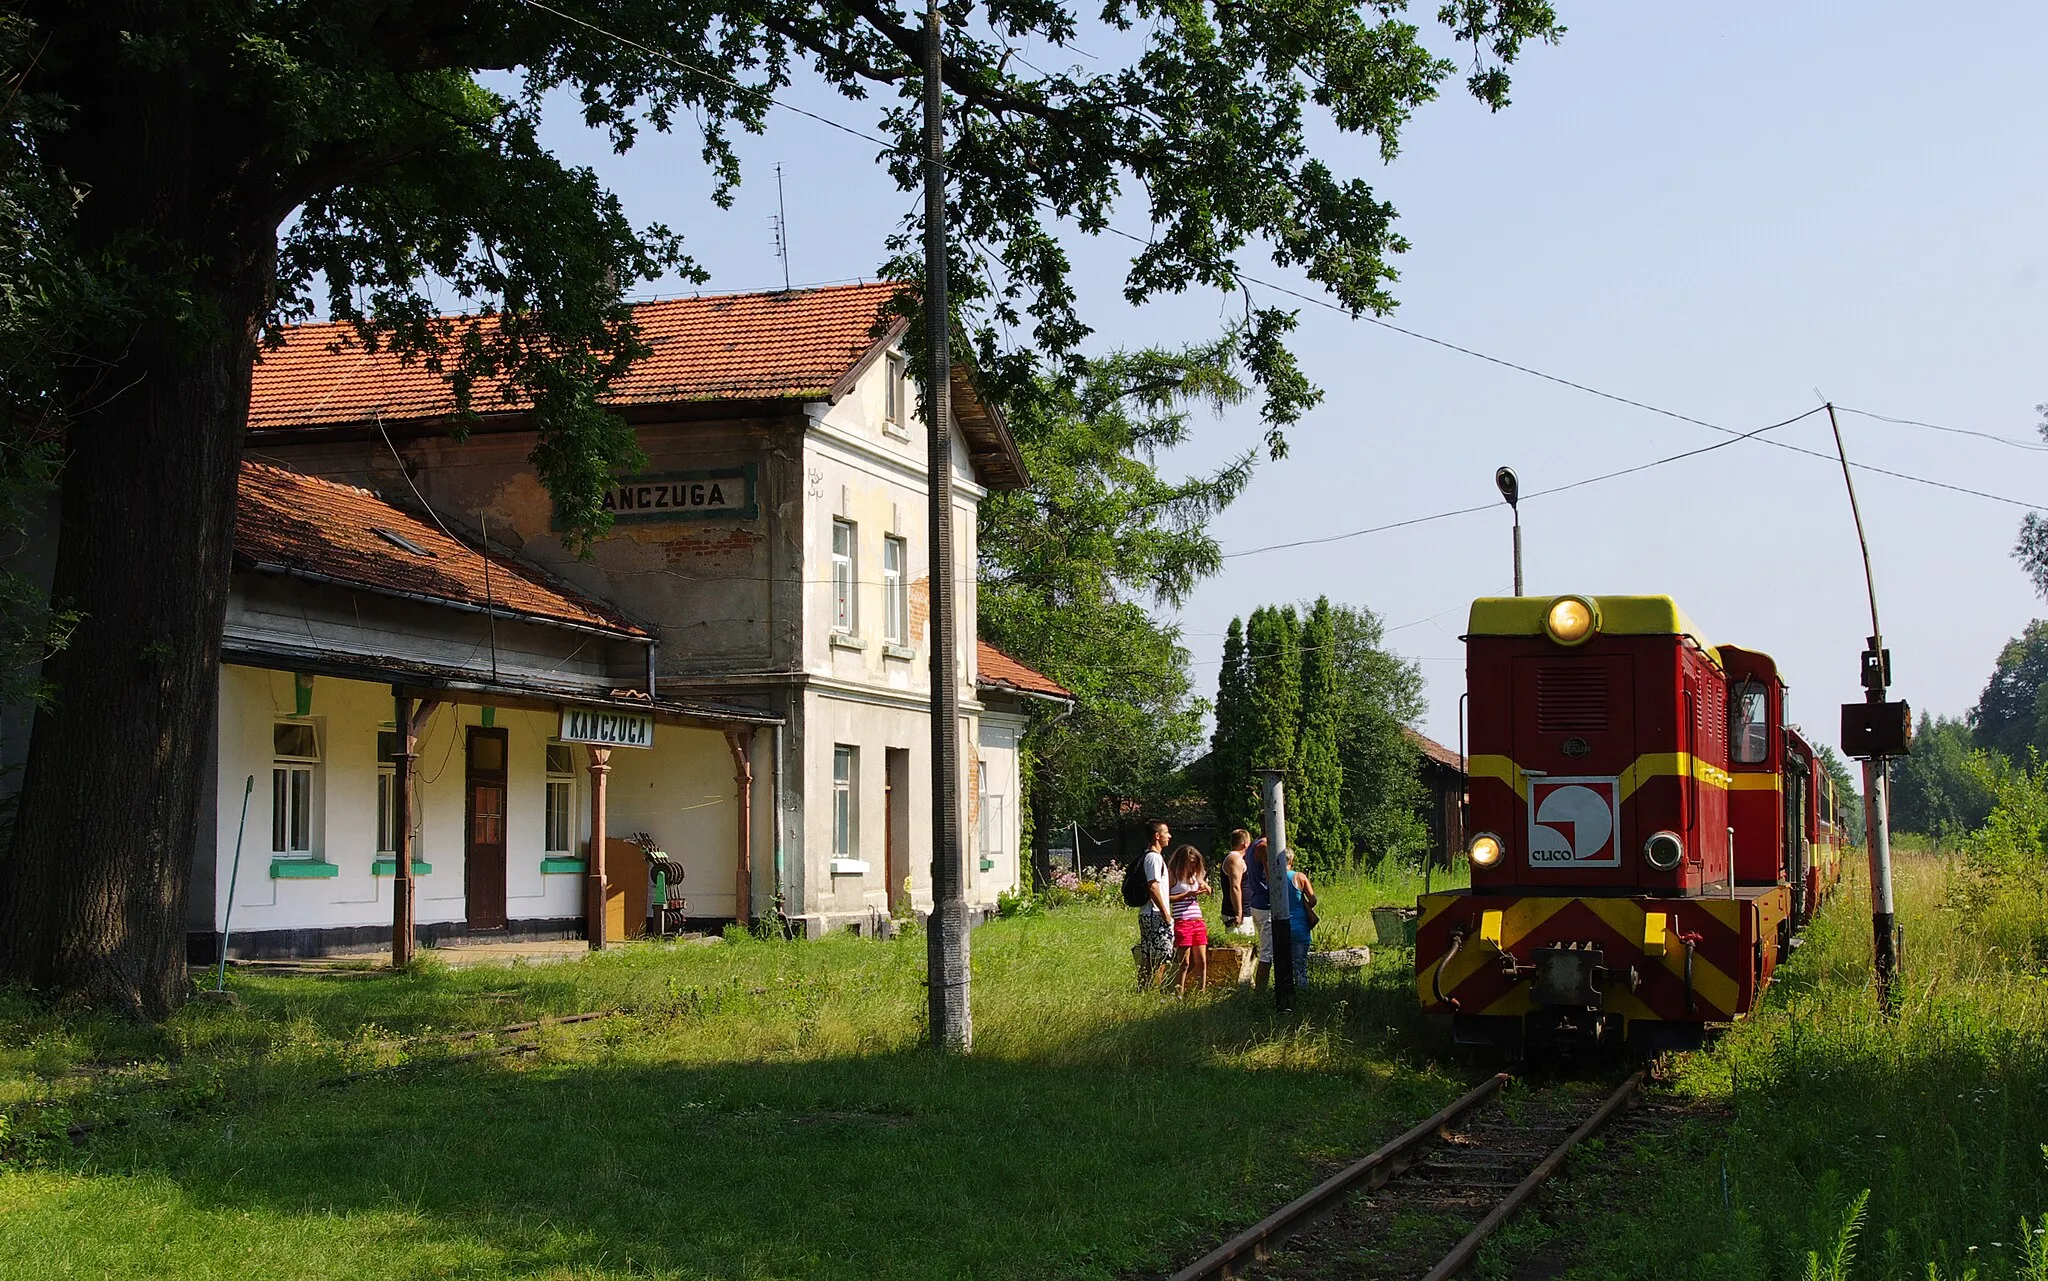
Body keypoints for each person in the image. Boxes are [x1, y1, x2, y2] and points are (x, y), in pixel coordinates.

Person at [1133, 819, 1175, 989]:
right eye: (1166, 833)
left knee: (1149, 956)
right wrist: (1166, 914)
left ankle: (1143, 990)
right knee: (1160, 955)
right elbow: (1153, 886)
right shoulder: (1154, 858)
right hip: (1155, 915)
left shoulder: (1150, 857)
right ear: (1157, 836)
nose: (1169, 836)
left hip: (1150, 914)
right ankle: (1154, 990)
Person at [1166, 844, 1211, 996]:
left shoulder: (1194, 875)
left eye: (1194, 862)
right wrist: (1185, 895)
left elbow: (1205, 885)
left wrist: (1205, 888)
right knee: (1184, 962)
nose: (1192, 865)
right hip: (1182, 921)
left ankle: (1201, 992)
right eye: (1189, 862)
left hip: (1197, 920)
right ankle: (1179, 992)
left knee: (1202, 960)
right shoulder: (1172, 875)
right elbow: (1167, 898)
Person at [1281, 849, 1317, 990]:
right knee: (1300, 965)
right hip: (1300, 926)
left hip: (1281, 926)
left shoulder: (1275, 877)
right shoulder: (1299, 877)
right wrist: (1303, 905)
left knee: (1285, 965)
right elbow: (1313, 899)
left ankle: (1286, 993)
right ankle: (1303, 993)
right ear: (1291, 860)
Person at [1244, 835, 1273, 990]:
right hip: (1265, 903)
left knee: (1266, 950)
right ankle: (1261, 993)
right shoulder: (1263, 846)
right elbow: (1271, 876)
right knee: (1266, 954)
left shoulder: (1253, 844)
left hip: (1257, 901)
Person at [1219, 829, 1253, 935]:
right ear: (1245, 843)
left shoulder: (1239, 859)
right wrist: (1238, 912)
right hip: (1236, 914)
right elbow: (1235, 887)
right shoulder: (1235, 859)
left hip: (1245, 911)